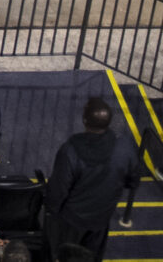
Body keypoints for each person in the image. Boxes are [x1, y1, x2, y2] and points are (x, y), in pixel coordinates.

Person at [42, 97, 140, 260]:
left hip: (71, 219)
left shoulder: (71, 151)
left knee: (62, 254)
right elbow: (133, 179)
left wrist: (52, 211)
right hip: (101, 216)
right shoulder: (124, 146)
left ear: (84, 120)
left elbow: (59, 188)